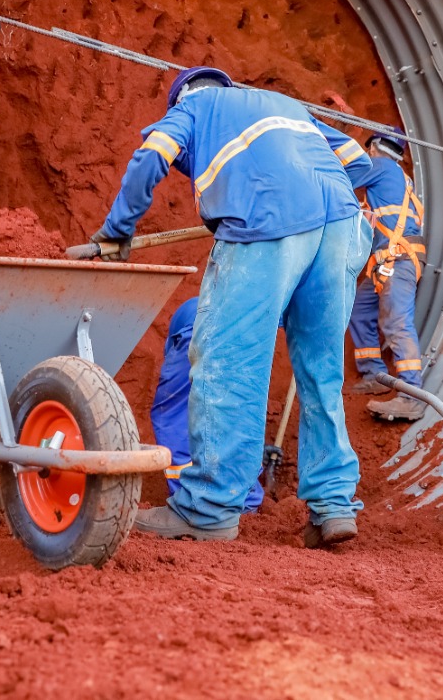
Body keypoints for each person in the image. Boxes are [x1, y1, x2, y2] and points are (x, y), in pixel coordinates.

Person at [92, 66, 373, 546]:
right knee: (321, 371)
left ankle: (208, 509)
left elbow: (152, 156)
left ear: (184, 98)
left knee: (227, 361)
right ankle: (333, 505)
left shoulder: (194, 107)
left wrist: (118, 231)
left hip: (269, 219)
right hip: (344, 226)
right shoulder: (285, 107)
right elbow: (359, 163)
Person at [149, 297, 263, 512]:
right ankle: (246, 501)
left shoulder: (186, 332)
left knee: (172, 414)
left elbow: (181, 403)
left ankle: (191, 502)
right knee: (237, 412)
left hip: (203, 324)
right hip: (247, 328)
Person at [347, 131, 429, 423]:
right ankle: (374, 373)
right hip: (388, 261)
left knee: (395, 321)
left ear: (373, 147)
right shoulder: (399, 176)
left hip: (399, 259)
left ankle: (412, 396)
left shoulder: (380, 166)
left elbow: (342, 178)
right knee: (360, 309)